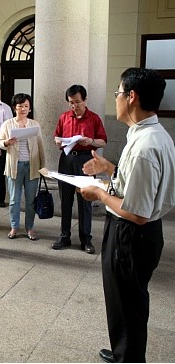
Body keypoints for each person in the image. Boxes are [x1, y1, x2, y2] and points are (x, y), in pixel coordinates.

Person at [79, 68, 175, 363]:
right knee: (127, 301)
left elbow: (136, 213)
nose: (117, 99)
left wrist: (99, 194)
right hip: (137, 234)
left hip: (131, 234)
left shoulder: (145, 147)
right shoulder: (150, 134)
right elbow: (136, 183)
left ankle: (129, 358)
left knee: (128, 302)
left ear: (132, 97)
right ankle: (126, 350)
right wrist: (109, 168)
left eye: (118, 93)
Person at [52, 84, 107, 254]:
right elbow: (57, 136)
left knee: (85, 201)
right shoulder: (64, 117)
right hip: (67, 159)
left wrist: (90, 141)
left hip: (86, 160)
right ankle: (64, 236)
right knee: (66, 198)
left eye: (77, 102)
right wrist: (58, 141)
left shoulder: (94, 118)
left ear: (85, 100)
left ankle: (86, 239)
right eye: (71, 103)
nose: (74, 106)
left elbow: (103, 141)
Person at [0, 93, 45, 241]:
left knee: (31, 200)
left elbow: (40, 146)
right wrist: (7, 143)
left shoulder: (34, 124)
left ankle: (30, 228)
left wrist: (43, 166)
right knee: (14, 199)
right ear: (14, 108)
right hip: (14, 166)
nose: (23, 109)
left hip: (32, 166)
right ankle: (14, 227)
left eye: (26, 106)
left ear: (30, 108)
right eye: (20, 106)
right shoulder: (7, 124)